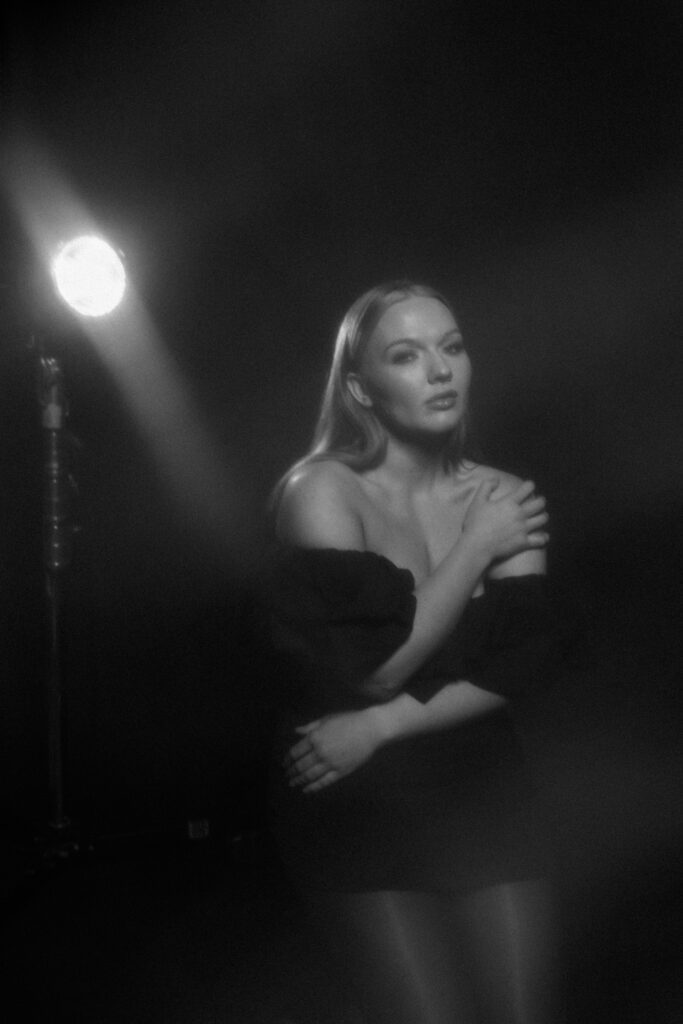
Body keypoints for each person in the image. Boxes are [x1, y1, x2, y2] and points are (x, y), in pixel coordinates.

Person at [262, 281, 566, 1024]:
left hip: (477, 782)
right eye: (407, 355)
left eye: (451, 347)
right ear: (361, 388)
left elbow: (516, 668)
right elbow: (379, 662)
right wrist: (476, 547)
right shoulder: (320, 491)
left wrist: (379, 727)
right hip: (359, 800)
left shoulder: (502, 494)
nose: (440, 371)